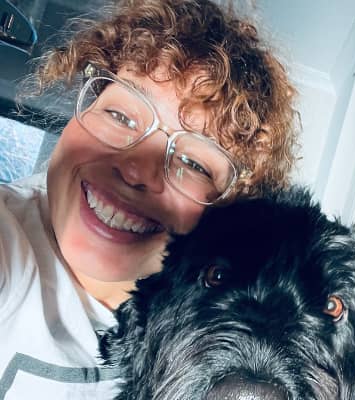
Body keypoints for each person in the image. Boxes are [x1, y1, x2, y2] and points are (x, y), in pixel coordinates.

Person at [0, 0, 298, 398]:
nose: (135, 169)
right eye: (121, 116)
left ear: (226, 213)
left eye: (194, 163)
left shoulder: (219, 333)